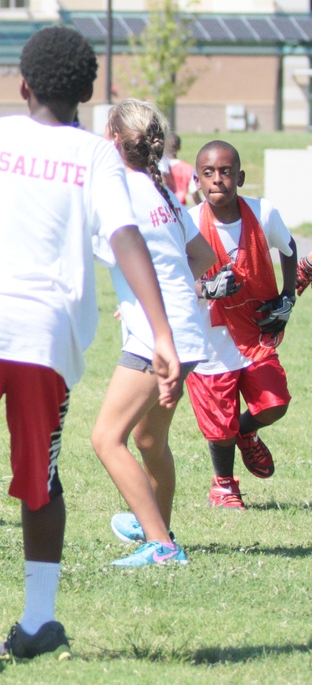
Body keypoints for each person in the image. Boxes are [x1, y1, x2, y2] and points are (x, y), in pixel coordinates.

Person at [0, 27, 181, 666]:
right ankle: (37, 621)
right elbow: (127, 237)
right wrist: (160, 333)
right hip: (50, 339)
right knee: (40, 481)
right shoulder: (96, 156)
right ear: (89, 92)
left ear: (22, 85)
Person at [90, 100, 214, 566]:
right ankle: (156, 526)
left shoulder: (117, 188)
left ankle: (160, 545)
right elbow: (200, 257)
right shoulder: (159, 190)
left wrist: (146, 303)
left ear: (114, 140)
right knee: (148, 441)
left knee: (106, 438)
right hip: (186, 333)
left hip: (156, 338)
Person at [184, 140, 297, 509]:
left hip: (252, 333)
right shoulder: (187, 222)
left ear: (240, 177)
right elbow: (171, 277)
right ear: (197, 180)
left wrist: (288, 296)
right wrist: (205, 287)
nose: (218, 180)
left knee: (274, 403)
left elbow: (290, 247)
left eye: (226, 171)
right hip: (210, 338)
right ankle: (224, 486)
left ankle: (246, 434)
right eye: (208, 173)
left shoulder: (263, 213)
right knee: (219, 425)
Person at [161, 132, 202, 206]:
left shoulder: (159, 166)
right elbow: (194, 194)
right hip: (181, 207)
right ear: (179, 148)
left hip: (165, 206)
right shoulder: (188, 168)